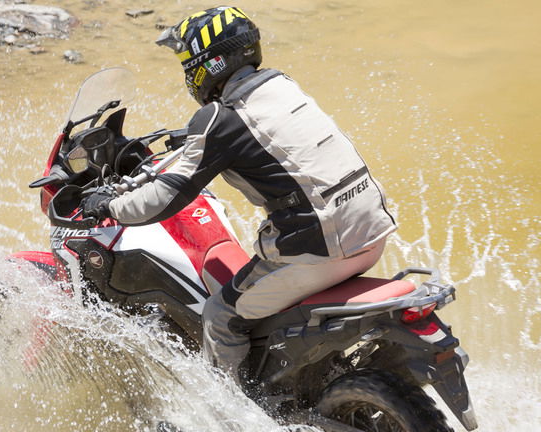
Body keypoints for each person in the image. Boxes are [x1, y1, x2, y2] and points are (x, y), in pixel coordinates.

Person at [82, 6, 397, 384]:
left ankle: (237, 430)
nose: (186, 72)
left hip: (322, 251)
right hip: (372, 231)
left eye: (187, 61)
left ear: (207, 62)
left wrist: (109, 206)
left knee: (220, 315)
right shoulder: (280, 85)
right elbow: (268, 138)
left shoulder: (219, 121)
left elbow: (164, 199)